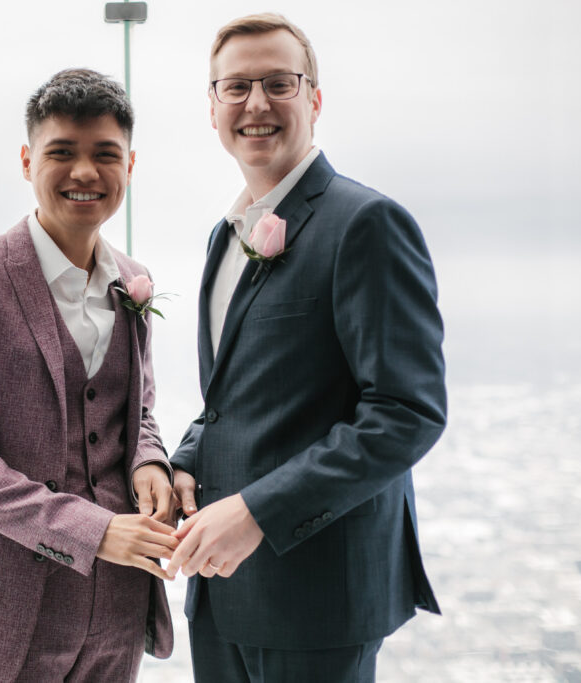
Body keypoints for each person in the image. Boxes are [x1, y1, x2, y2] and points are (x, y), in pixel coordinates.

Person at [165, 13, 446, 682]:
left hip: (318, 601)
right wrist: (183, 462)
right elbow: (233, 401)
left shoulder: (366, 223)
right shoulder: (222, 236)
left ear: (314, 100)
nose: (255, 103)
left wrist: (260, 510)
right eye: (235, 86)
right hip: (222, 593)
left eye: (278, 83)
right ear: (211, 108)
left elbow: (407, 413)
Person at [0, 68, 176, 683]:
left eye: (106, 155)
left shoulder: (132, 279)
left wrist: (149, 463)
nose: (85, 172)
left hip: (117, 609)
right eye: (61, 153)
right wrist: (92, 530)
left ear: (129, 167)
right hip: (2, 611)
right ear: (28, 161)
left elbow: (137, 413)